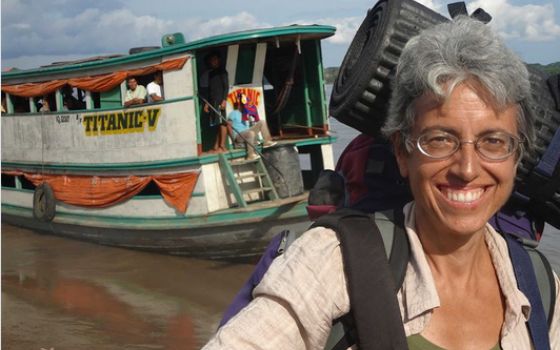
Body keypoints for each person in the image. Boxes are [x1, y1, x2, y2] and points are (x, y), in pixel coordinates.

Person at [203, 16, 560, 349]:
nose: (467, 168)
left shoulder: (541, 286)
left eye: (493, 142)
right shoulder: (335, 261)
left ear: (516, 156)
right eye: (439, 139)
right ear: (402, 153)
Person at [200, 52, 229, 153]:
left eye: (215, 60)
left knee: (223, 123)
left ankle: (222, 146)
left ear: (219, 60)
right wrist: (207, 103)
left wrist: (224, 100)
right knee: (218, 123)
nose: (214, 62)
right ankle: (216, 146)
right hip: (213, 101)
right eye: (212, 60)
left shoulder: (222, 72)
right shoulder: (211, 74)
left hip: (220, 100)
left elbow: (226, 87)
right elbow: (209, 90)